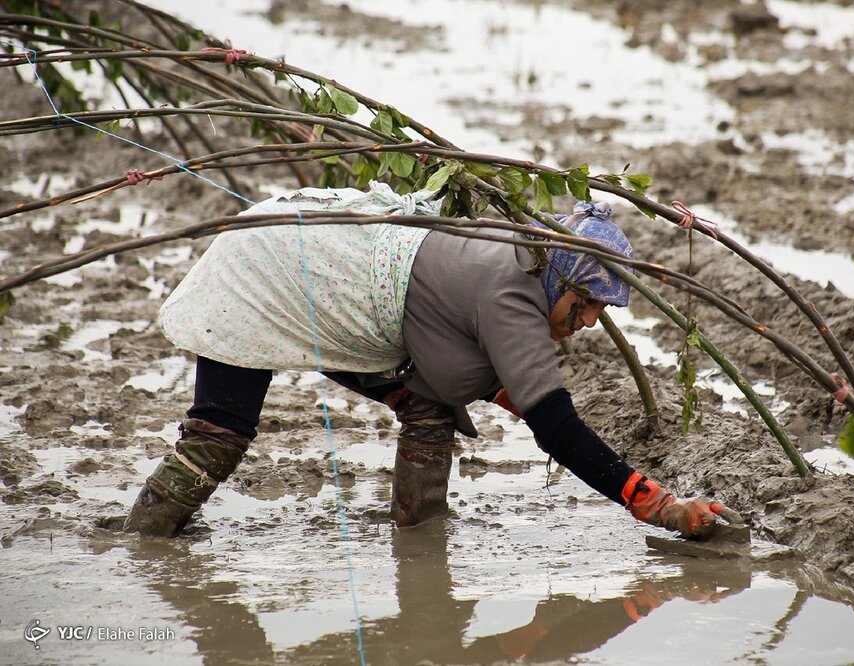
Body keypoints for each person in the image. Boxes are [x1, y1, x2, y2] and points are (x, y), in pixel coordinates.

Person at [123, 183, 734, 537]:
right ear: (558, 281)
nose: (591, 321)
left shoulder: (519, 253)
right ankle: (143, 541)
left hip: (340, 286)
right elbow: (558, 429)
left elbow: (468, 365)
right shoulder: (511, 295)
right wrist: (657, 504)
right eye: (586, 304)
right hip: (276, 266)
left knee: (430, 409)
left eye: (602, 309)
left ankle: (418, 544)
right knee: (220, 433)